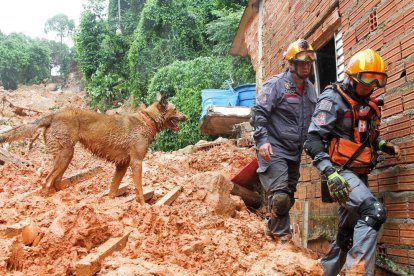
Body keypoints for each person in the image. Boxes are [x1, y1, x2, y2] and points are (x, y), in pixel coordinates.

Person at [304, 49, 401, 275]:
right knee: (374, 211)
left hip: (359, 173)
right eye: (367, 80)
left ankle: (321, 272)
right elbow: (313, 140)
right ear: (352, 77)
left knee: (347, 234)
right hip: (339, 172)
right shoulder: (333, 99)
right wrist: (329, 173)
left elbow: (367, 135)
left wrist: (382, 145)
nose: (372, 86)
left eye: (377, 81)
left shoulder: (368, 103)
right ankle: (357, 271)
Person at [252, 38, 317, 243]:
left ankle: (271, 228)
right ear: (292, 63)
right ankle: (283, 238)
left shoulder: (311, 90)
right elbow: (258, 113)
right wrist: (262, 141)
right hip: (274, 148)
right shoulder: (277, 85)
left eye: (309, 61)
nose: (306, 65)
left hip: (294, 152)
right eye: (302, 61)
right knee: (280, 197)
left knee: (286, 198)